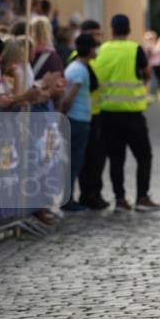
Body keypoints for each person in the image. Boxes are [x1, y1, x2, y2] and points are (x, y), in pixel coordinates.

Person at [92, 13, 160, 211]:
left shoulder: (102, 49)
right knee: (144, 156)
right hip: (132, 113)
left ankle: (119, 199)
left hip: (107, 113)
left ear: (112, 30)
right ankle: (141, 197)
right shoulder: (134, 49)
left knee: (116, 158)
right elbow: (147, 73)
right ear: (129, 30)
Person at [60, 33, 98, 212]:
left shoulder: (76, 67)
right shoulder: (79, 70)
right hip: (77, 121)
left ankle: (68, 199)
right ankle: (67, 201)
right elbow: (68, 98)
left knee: (74, 160)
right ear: (90, 49)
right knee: (74, 161)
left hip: (78, 120)